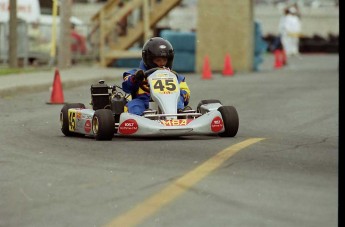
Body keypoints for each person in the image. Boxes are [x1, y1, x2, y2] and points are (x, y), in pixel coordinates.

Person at [122, 37, 191, 116]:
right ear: (149, 60)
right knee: (134, 105)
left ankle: (179, 114)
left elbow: (186, 94)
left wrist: (179, 94)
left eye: (164, 60)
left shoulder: (176, 77)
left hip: (170, 104)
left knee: (178, 101)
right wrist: (135, 79)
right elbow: (126, 87)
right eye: (158, 60)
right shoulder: (136, 73)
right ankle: (139, 121)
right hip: (144, 102)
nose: (162, 63)